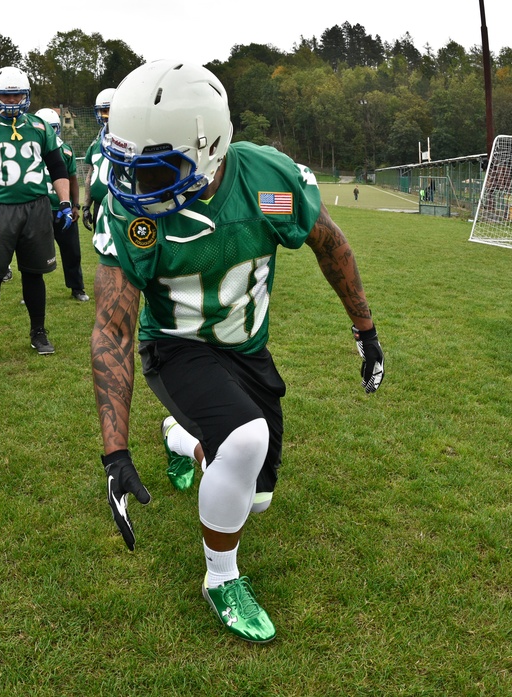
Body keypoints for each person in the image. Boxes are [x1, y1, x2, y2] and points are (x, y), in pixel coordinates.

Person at [91, 61, 385, 644]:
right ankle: (220, 579)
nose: (133, 189)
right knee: (246, 439)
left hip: (246, 350)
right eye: (126, 169)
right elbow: (114, 331)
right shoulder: (132, 213)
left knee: (256, 497)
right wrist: (113, 452)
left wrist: (365, 331)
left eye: (153, 172)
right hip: (173, 345)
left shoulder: (267, 183)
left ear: (209, 149)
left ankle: (181, 438)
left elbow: (330, 243)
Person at [0, 66, 73, 364]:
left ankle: (38, 331)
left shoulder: (39, 127)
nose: (11, 101)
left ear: (26, 96)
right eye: (5, 96)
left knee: (34, 274)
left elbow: (58, 168)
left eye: (17, 95)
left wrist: (64, 203)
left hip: (36, 207)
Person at [35, 108, 88, 302]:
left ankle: (77, 287)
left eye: (54, 128)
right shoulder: (30, 150)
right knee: (33, 252)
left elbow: (73, 179)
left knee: (72, 250)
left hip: (61, 208)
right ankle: (32, 290)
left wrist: (75, 205)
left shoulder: (65, 150)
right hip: (38, 209)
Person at [81, 87, 115, 234]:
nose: (104, 115)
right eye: (102, 110)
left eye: (108, 110)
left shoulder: (128, 140)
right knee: (101, 248)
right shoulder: (96, 143)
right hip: (99, 205)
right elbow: (90, 176)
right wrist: (87, 206)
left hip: (121, 205)